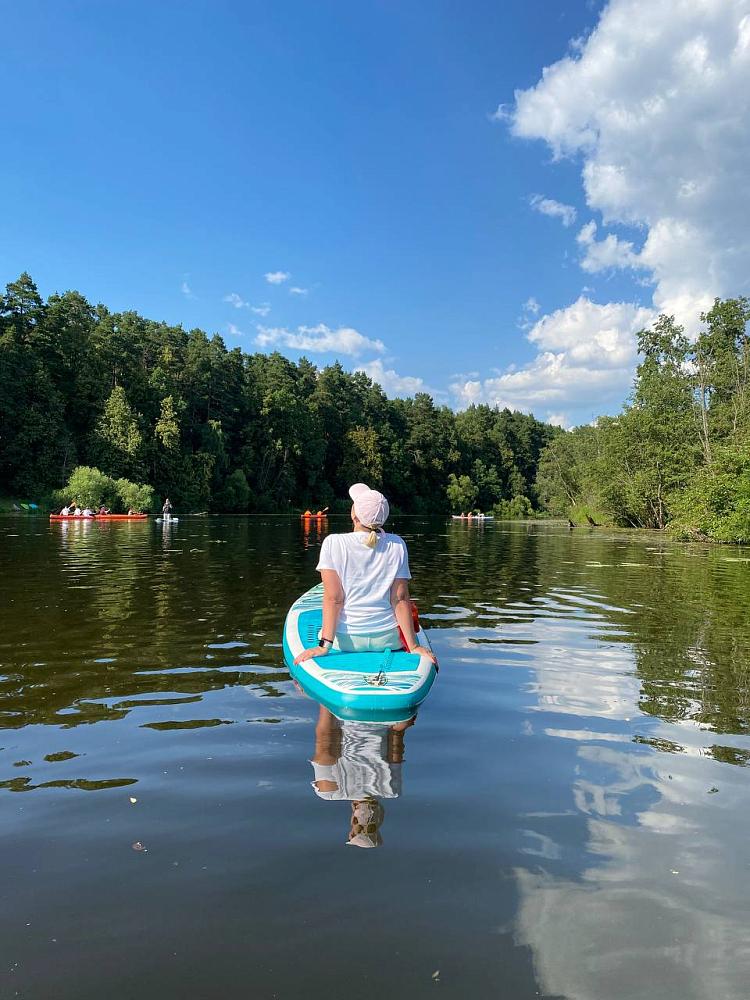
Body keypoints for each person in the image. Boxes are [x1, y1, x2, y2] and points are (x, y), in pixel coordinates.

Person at [294, 483, 436, 664]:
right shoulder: (398, 544)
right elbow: (399, 599)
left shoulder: (333, 543)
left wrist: (324, 646)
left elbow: (334, 598)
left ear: (354, 514)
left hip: (345, 641)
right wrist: (414, 646)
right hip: (388, 639)